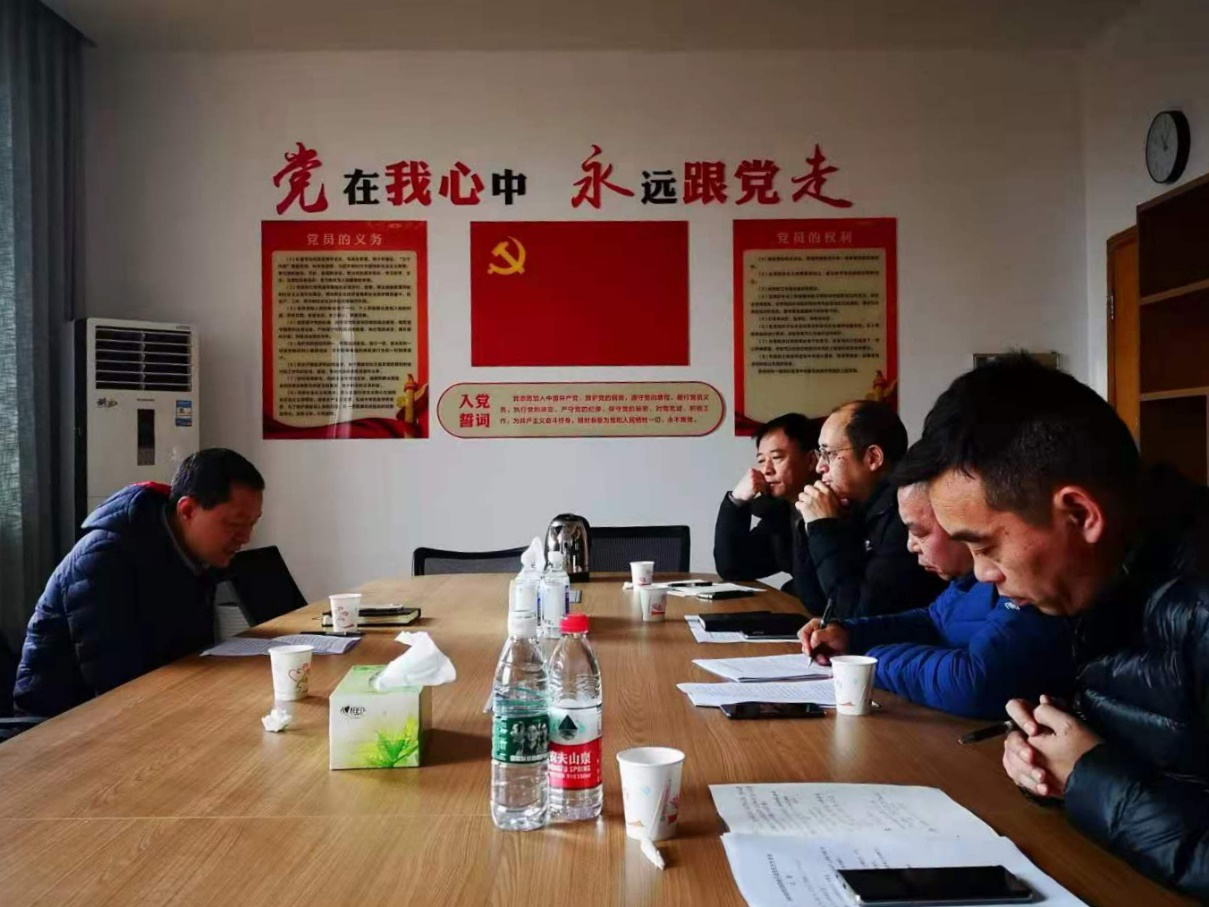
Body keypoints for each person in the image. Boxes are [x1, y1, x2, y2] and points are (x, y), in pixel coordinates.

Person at [900, 353, 1209, 899]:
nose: (981, 574)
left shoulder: (1196, 601)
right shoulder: (1103, 579)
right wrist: (1044, 754)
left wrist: (1087, 776)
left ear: (1081, 515)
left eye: (985, 546)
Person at [14, 448, 265, 717]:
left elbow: (191, 655)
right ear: (188, 510)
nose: (245, 537)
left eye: (252, 524)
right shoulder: (105, 559)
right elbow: (116, 684)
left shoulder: (196, 554)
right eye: (235, 523)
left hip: (151, 704)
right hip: (62, 722)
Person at [797, 477, 1074, 719]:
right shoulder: (966, 579)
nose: (910, 545)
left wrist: (865, 662)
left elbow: (975, 682)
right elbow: (934, 620)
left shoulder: (1026, 581)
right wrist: (850, 636)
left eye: (920, 531)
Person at [792, 400, 945, 617]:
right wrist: (811, 527)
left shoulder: (905, 516)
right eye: (820, 454)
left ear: (873, 458)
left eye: (829, 454)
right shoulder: (851, 507)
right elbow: (816, 603)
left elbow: (858, 613)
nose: (819, 467)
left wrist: (822, 528)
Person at [714, 413, 821, 593]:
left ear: (811, 460)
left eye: (777, 458)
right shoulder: (781, 512)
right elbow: (733, 568)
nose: (766, 470)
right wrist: (736, 501)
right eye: (761, 460)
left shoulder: (839, 509)